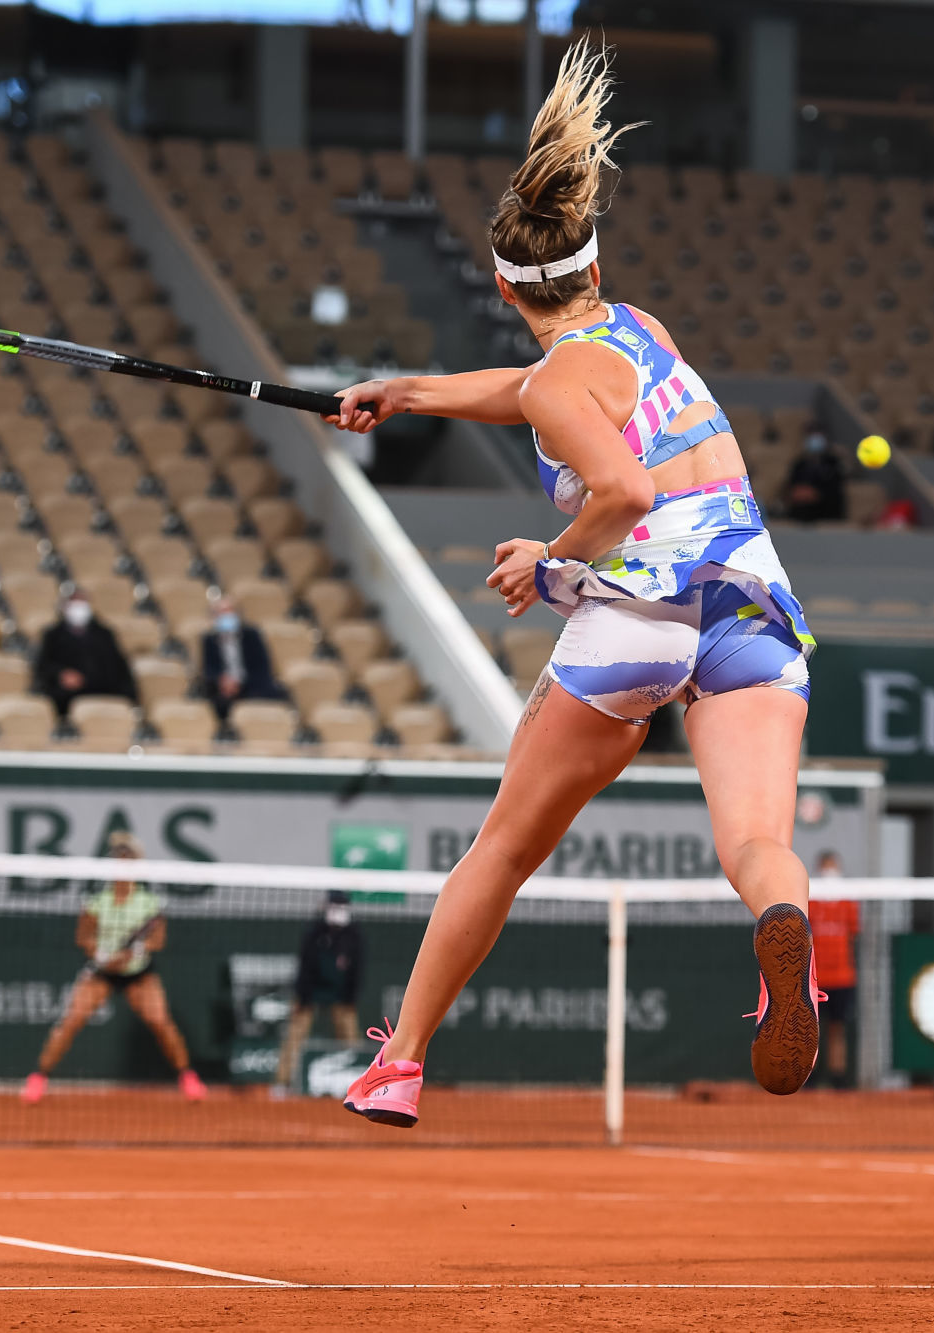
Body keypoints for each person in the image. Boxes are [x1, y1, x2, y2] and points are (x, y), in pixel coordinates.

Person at [328, 40, 822, 1130]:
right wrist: (407, 390)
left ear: (504, 284)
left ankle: (399, 1062)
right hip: (749, 600)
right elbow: (535, 386)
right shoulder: (638, 330)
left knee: (504, 846)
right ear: (590, 272)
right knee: (754, 842)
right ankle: (782, 937)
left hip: (640, 613)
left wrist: (549, 562)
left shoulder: (558, 384)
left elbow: (620, 486)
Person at [21, 831, 206, 1103]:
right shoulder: (97, 902)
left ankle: (188, 1077)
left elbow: (158, 939)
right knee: (70, 1022)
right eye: (118, 862)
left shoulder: (148, 903)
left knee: (161, 1022)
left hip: (139, 974)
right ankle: (38, 1078)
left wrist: (134, 952)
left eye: (128, 862)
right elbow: (83, 937)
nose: (122, 868)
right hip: (101, 973)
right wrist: (102, 955)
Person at [275, 891, 365, 1092]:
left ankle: (360, 1084)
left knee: (351, 1037)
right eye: (334, 907)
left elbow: (357, 971)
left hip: (341, 995)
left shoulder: (354, 936)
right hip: (311, 992)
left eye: (341, 907)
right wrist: (302, 998)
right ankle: (283, 1082)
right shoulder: (313, 932)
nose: (338, 911)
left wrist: (350, 999)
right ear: (326, 908)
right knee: (295, 1035)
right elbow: (304, 968)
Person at [32, 590, 137, 718]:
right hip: (68, 695)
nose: (79, 610)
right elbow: (43, 666)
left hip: (104, 690)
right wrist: (61, 674)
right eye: (74, 604)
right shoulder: (53, 635)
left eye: (82, 604)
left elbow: (119, 667)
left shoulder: (104, 634)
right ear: (65, 607)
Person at [808, 851, 859, 1091]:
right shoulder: (809, 902)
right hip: (814, 979)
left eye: (832, 867)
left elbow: (854, 932)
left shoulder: (848, 902)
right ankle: (810, 1075)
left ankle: (838, 1077)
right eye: (825, 867)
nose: (829, 872)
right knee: (811, 1029)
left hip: (842, 978)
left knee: (837, 1028)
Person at [197, 589, 284, 721]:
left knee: (274, 695)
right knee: (215, 703)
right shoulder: (209, 639)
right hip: (224, 689)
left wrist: (240, 683)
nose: (226, 616)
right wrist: (223, 681)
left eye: (229, 611)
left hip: (251, 685)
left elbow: (262, 666)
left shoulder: (252, 635)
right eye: (222, 613)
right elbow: (209, 669)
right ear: (214, 617)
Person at [781, 423, 845, 523]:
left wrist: (816, 493)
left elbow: (836, 489)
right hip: (800, 512)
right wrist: (801, 493)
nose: (815, 439)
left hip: (827, 513)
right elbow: (791, 487)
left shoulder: (833, 463)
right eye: (811, 434)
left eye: (818, 434)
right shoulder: (799, 464)